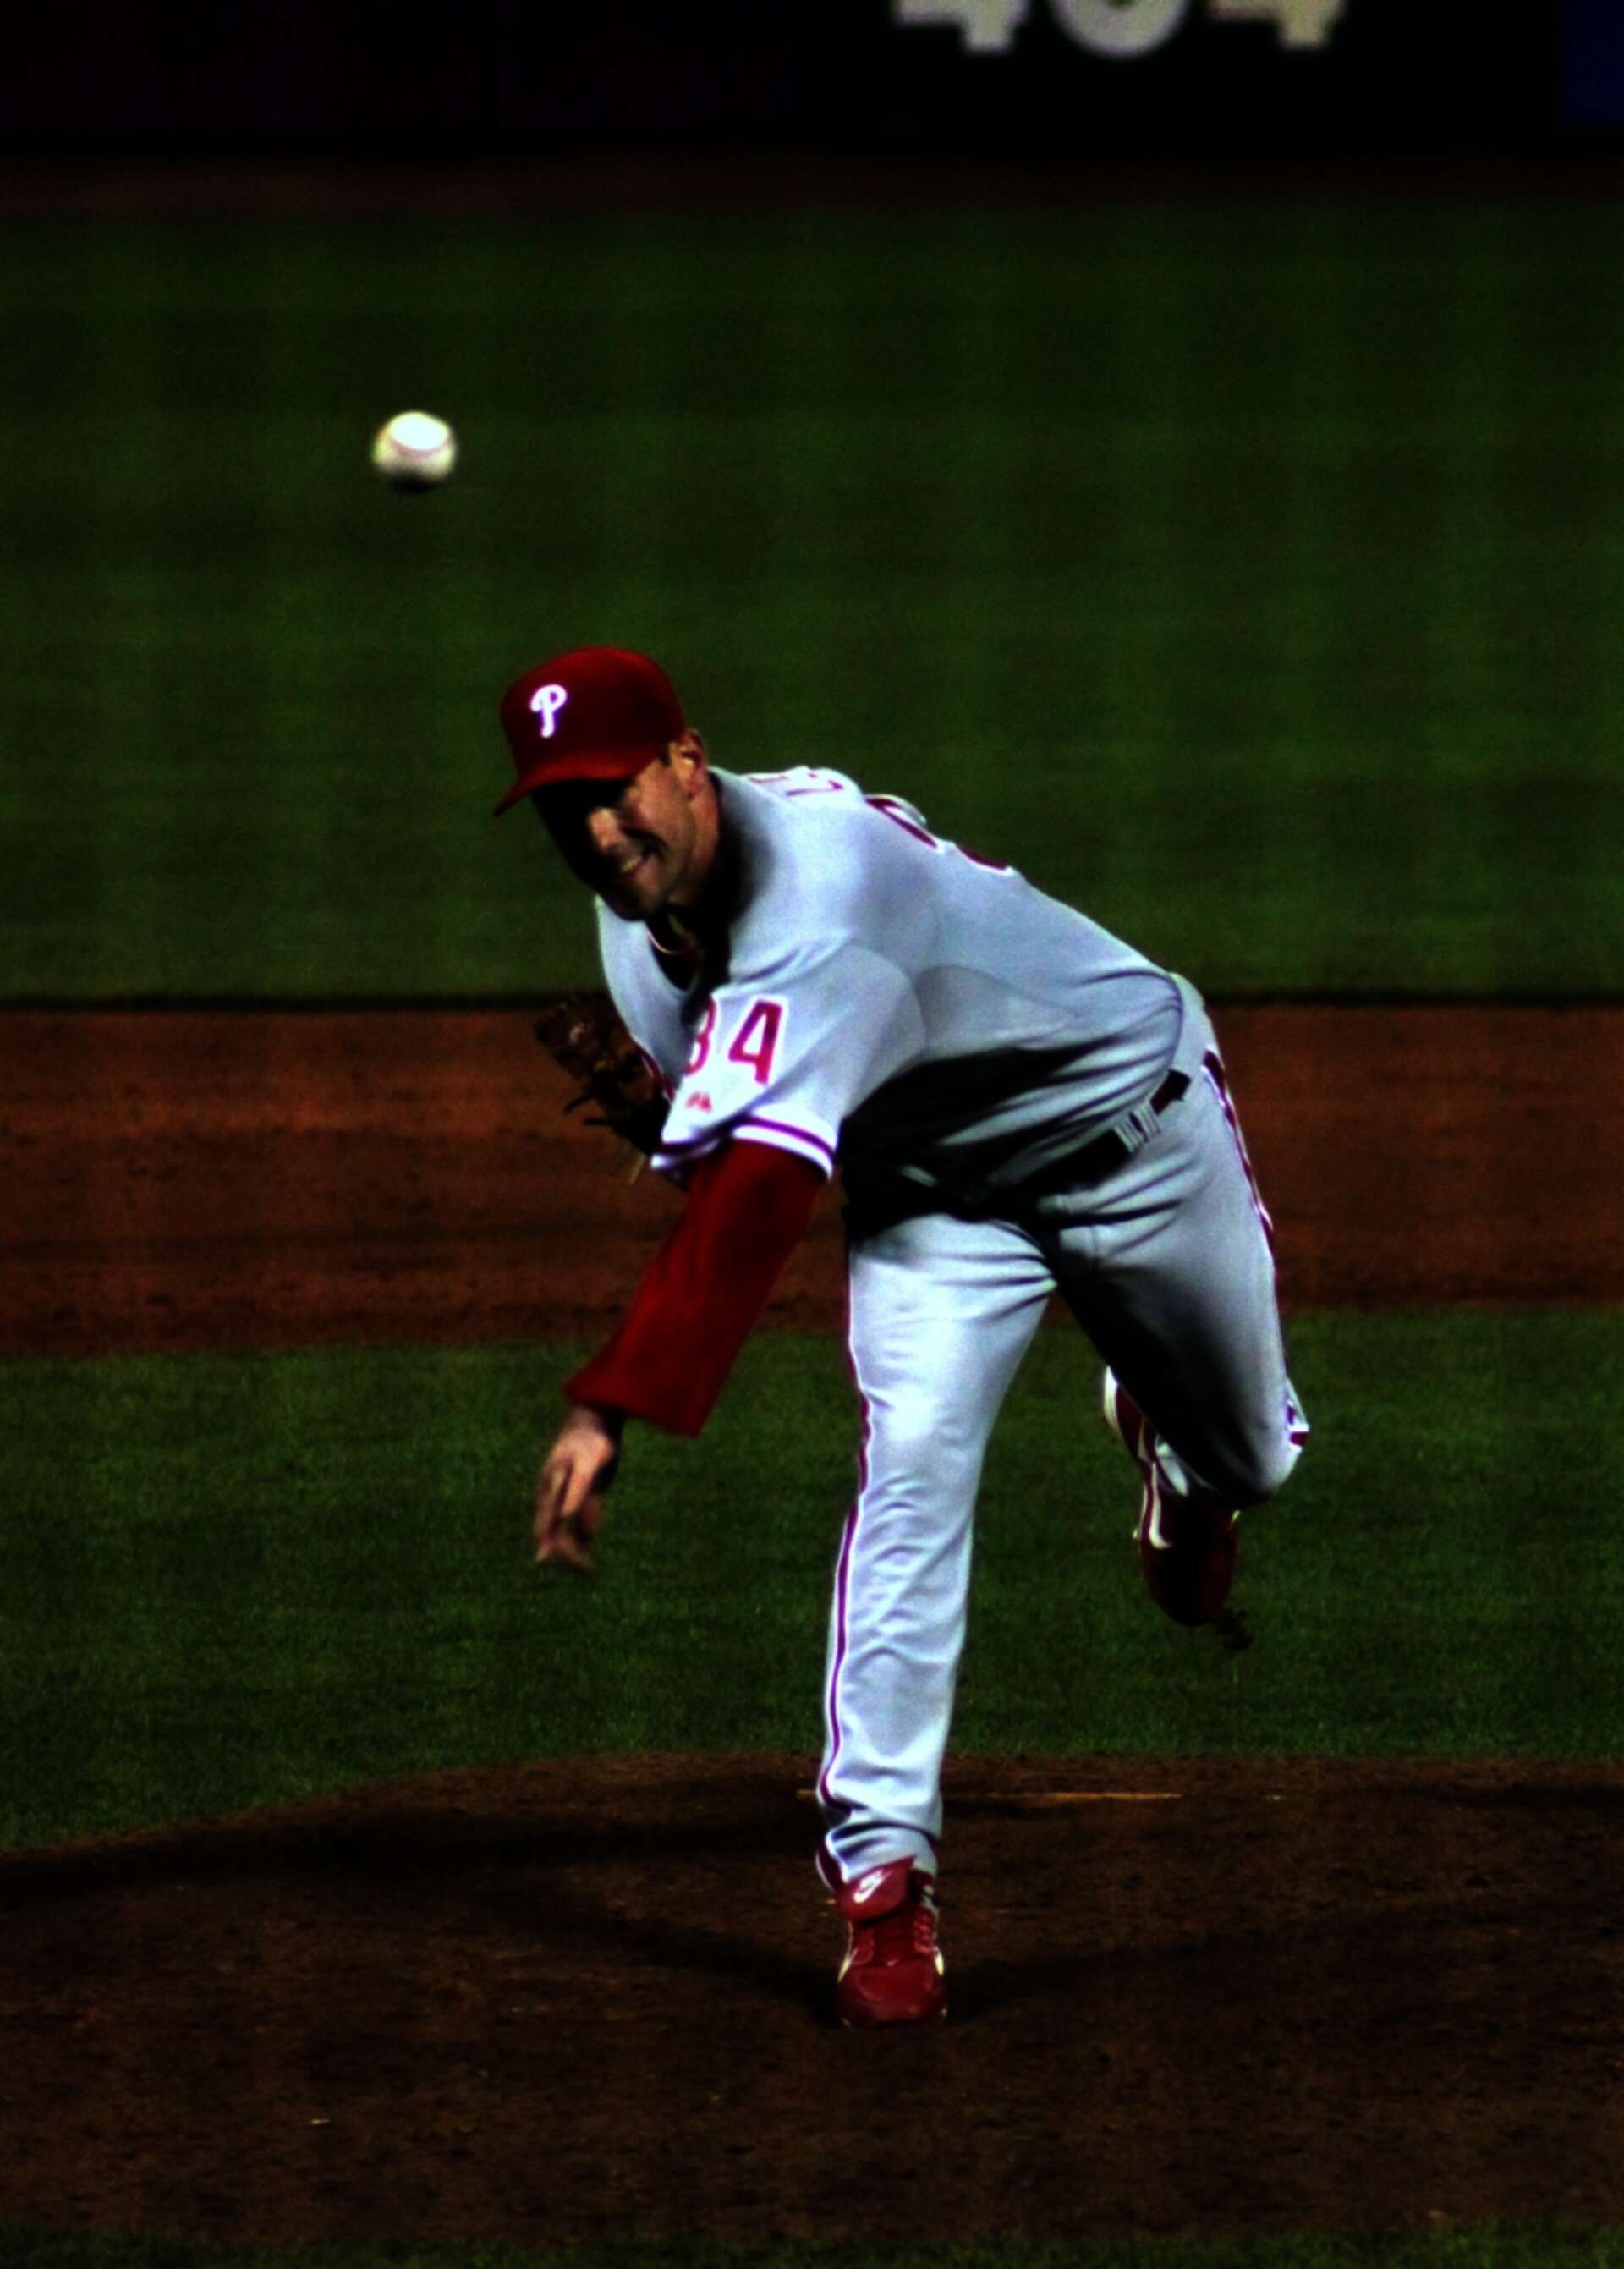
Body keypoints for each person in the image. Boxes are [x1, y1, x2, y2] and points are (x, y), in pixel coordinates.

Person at [494, 645, 1307, 2030]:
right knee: (912, 1470)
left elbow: (759, 1196)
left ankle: (1176, 1448)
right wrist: (685, 1124)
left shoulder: (822, 891)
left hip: (1135, 1135)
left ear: (687, 760)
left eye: (616, 788)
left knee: (1255, 1457)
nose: (600, 832)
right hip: (937, 1204)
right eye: (563, 809)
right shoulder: (637, 925)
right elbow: (751, 1135)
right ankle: (884, 1887)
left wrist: (607, 1402)